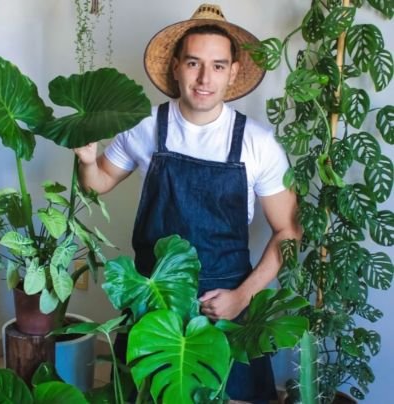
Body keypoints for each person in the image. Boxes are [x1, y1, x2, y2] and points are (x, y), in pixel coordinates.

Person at [75, 4, 301, 403]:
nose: (203, 78)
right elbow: (99, 183)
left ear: (233, 72)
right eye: (194, 63)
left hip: (226, 301)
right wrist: (89, 161)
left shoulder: (258, 143)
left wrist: (242, 297)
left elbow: (289, 230)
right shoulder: (145, 128)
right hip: (154, 299)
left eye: (217, 66)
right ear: (177, 67)